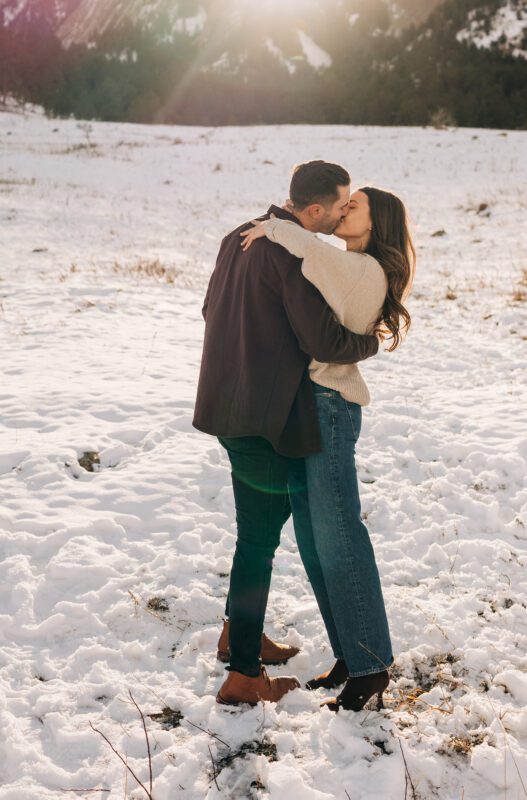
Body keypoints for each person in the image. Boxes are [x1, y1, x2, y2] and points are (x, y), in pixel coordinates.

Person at [192, 161, 380, 706]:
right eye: (341, 205)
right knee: (258, 538)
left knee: (263, 526)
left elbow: (210, 309)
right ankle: (245, 674)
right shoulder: (291, 251)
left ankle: (237, 634)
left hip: (226, 405)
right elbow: (324, 341)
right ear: (315, 210)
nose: (345, 213)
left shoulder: (238, 235)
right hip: (263, 418)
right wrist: (374, 340)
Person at [239, 185, 415, 711]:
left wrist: (273, 226)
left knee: (338, 534)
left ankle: (369, 667)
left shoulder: (363, 270)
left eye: (353, 205)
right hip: (311, 405)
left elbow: (308, 252)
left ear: (376, 222)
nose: (342, 209)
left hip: (330, 407)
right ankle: (351, 653)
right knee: (318, 540)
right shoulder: (350, 264)